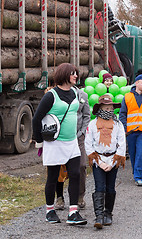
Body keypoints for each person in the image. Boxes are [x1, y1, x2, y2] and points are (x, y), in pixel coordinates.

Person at [32, 63, 87, 225]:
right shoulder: (51, 96)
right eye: (72, 74)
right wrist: (39, 142)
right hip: (54, 143)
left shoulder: (75, 93)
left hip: (72, 142)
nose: (76, 76)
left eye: (76, 74)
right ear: (64, 75)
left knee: (76, 174)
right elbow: (36, 119)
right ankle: (50, 211)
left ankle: (73, 212)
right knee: (54, 177)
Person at [85, 94, 126, 229]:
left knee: (110, 187)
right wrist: (99, 162)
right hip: (99, 160)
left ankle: (108, 213)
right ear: (100, 108)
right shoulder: (92, 124)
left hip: (113, 159)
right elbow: (88, 143)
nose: (108, 110)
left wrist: (114, 162)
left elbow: (122, 143)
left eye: (110, 108)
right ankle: (99, 216)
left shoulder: (118, 125)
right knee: (99, 187)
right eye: (105, 108)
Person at [55, 86, 91, 210]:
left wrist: (82, 132)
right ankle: (59, 197)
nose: (74, 77)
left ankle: (80, 196)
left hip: (78, 138)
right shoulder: (56, 94)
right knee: (59, 167)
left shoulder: (82, 95)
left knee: (81, 166)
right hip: (61, 138)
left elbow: (86, 116)